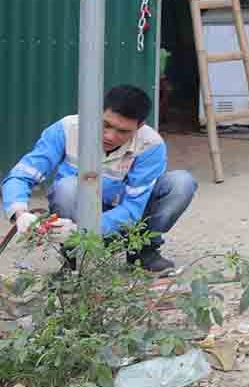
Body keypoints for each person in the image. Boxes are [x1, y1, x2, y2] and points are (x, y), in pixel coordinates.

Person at [2, 85, 197, 274]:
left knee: (181, 183)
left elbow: (133, 209)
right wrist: (20, 214)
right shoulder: (67, 128)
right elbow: (21, 175)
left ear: (140, 126)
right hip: (74, 214)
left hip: (122, 220)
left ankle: (142, 251)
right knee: (68, 186)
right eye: (106, 125)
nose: (110, 136)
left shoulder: (150, 145)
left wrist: (85, 230)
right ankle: (72, 258)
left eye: (123, 131)